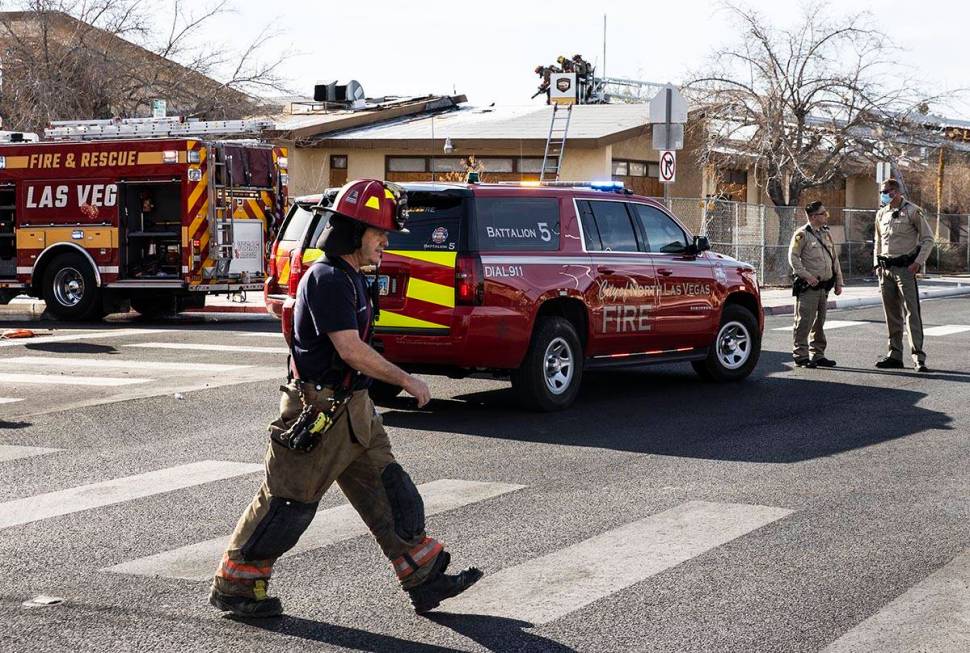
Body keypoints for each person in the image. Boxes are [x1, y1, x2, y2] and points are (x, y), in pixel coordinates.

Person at [209, 179, 482, 618]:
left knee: (391, 491)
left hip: (354, 409)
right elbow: (349, 349)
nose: (385, 244)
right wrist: (408, 381)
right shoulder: (328, 278)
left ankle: (423, 576)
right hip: (319, 413)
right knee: (286, 506)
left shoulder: (350, 277)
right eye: (379, 235)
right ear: (355, 233)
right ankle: (237, 585)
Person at [873, 178, 934, 372]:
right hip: (886, 270)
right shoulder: (881, 213)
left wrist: (918, 262)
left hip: (905, 269)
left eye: (886, 191)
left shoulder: (912, 211)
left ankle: (918, 357)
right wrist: (876, 265)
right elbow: (877, 241)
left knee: (911, 313)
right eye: (882, 191)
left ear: (895, 192)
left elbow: (928, 239)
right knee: (891, 315)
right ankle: (894, 355)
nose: (883, 194)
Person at [788, 201, 844, 368]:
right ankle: (801, 355)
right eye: (823, 213)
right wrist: (807, 276)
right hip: (808, 287)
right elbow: (793, 258)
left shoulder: (826, 233)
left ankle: (818, 354)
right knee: (804, 321)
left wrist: (838, 281)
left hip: (824, 286)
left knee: (819, 322)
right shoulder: (802, 234)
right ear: (813, 216)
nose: (826, 215)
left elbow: (834, 258)